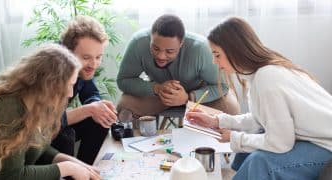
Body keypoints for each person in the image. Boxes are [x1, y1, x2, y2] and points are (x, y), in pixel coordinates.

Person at [186, 17, 332, 179]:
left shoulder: (267, 78)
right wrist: (218, 121)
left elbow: (280, 143)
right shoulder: (261, 73)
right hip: (316, 140)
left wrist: (234, 138)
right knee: (251, 139)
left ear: (235, 50)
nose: (214, 61)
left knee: (259, 161)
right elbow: (260, 120)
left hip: (327, 146)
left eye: (217, 55)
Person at [0, 44, 101, 179]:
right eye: (68, 85)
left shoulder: (41, 104)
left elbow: (37, 147)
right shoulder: (7, 109)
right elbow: (12, 176)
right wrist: (67, 168)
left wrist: (72, 162)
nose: (70, 93)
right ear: (49, 85)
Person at [117, 14, 240, 119]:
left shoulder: (201, 48)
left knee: (231, 108)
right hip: (159, 95)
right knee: (124, 106)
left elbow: (222, 86)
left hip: (196, 96)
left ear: (181, 43)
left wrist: (188, 98)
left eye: (169, 51)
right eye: (155, 48)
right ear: (150, 38)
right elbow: (123, 80)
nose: (161, 56)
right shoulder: (138, 42)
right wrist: (156, 88)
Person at [52, 15, 117, 165]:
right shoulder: (52, 69)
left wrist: (98, 107)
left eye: (98, 57)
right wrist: (90, 109)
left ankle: (87, 169)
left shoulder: (81, 68)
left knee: (100, 120)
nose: (93, 64)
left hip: (57, 124)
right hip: (40, 133)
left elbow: (91, 93)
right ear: (67, 52)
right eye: (86, 57)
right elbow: (48, 122)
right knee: (65, 136)